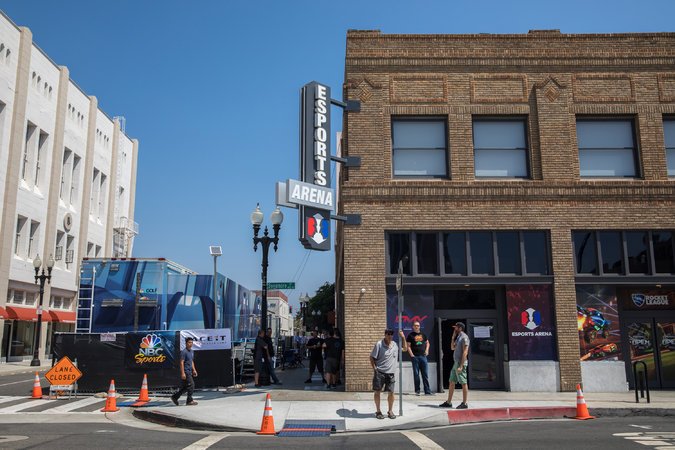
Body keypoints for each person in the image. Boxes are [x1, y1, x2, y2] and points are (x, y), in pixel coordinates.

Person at [370, 328, 408, 420]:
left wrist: (403, 337)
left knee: (391, 392)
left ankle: (390, 411)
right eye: (388, 334)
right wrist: (375, 369)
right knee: (377, 392)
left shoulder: (395, 345)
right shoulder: (379, 344)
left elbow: (405, 349)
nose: (390, 336)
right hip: (380, 373)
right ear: (385, 334)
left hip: (391, 373)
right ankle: (378, 411)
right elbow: (371, 357)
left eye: (391, 334)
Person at [439, 322, 470, 409]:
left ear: (460, 328)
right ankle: (448, 402)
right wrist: (453, 337)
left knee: (463, 382)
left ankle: (464, 403)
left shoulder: (464, 337)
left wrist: (461, 366)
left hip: (460, 363)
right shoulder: (458, 337)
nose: (454, 329)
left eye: (456, 327)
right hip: (456, 363)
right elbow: (452, 347)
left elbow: (465, 352)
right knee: (452, 382)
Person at [406, 321, 431, 395]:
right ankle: (417, 390)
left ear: (419, 326)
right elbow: (408, 346)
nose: (417, 326)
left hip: (423, 357)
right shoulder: (410, 335)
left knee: (425, 374)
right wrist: (412, 355)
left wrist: (427, 350)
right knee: (416, 374)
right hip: (415, 357)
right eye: (415, 325)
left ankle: (427, 391)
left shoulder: (423, 334)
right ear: (413, 327)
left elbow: (427, 343)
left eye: (418, 325)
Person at [171, 337, 198, 406]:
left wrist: (194, 370)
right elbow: (181, 362)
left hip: (190, 371)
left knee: (186, 387)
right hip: (186, 371)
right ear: (186, 343)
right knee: (191, 385)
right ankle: (189, 401)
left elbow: (191, 361)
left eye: (191, 342)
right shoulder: (184, 352)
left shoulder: (192, 351)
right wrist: (183, 373)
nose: (190, 344)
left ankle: (175, 397)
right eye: (189, 342)